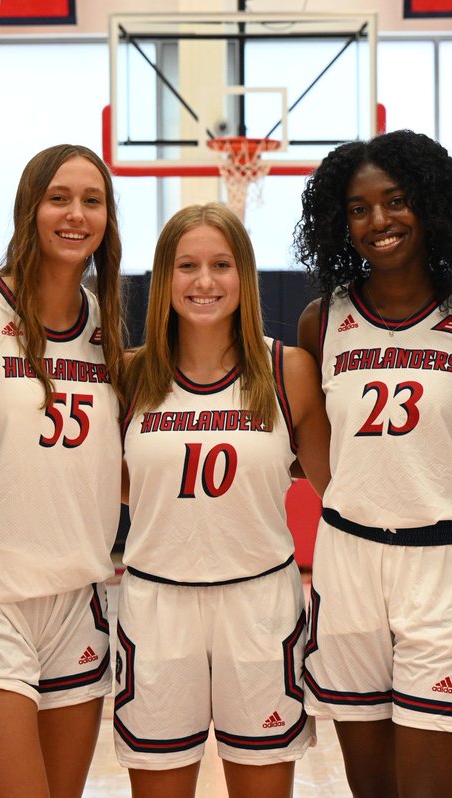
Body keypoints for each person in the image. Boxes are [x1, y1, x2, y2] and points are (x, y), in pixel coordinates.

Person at [292, 130, 452, 797]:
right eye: (358, 207)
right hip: (350, 565)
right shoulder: (324, 321)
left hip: (448, 566)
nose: (378, 220)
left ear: (428, 204)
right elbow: (322, 453)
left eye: (396, 200)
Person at [115, 202, 331, 798]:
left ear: (245, 276)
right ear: (164, 278)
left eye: (221, 264)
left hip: (259, 604)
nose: (204, 281)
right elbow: (122, 484)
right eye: (187, 266)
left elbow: (338, 491)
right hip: (157, 604)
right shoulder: (130, 377)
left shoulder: (288, 371)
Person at [0, 143, 125, 798]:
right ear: (29, 209)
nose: (76, 214)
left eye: (92, 200)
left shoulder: (109, 327)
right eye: (59, 198)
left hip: (79, 597)